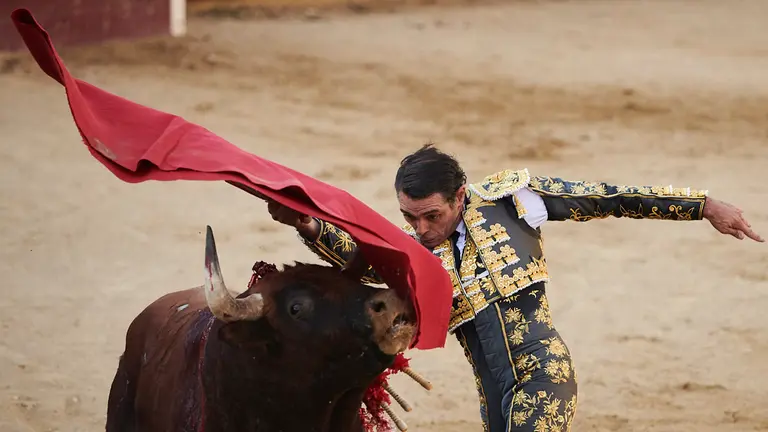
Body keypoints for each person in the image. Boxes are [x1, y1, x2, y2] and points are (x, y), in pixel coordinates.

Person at [267, 143, 763, 432]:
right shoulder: (416, 250)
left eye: (431, 215)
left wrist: (701, 205)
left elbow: (608, 197)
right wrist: (308, 225)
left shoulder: (514, 200)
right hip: (493, 393)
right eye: (410, 218)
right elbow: (361, 259)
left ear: (460, 196)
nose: (421, 229)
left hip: (544, 373)